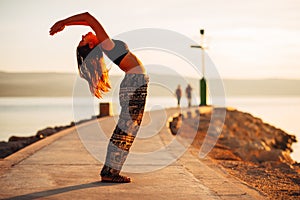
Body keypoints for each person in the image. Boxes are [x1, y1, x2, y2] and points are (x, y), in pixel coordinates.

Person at [50, 12, 148, 183]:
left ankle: (110, 170)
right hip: (135, 84)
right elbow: (88, 18)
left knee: (126, 130)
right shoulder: (107, 45)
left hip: (134, 83)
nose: (83, 35)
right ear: (91, 44)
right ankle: (109, 172)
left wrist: (65, 23)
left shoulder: (106, 46)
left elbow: (87, 21)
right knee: (125, 131)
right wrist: (63, 22)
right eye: (83, 40)